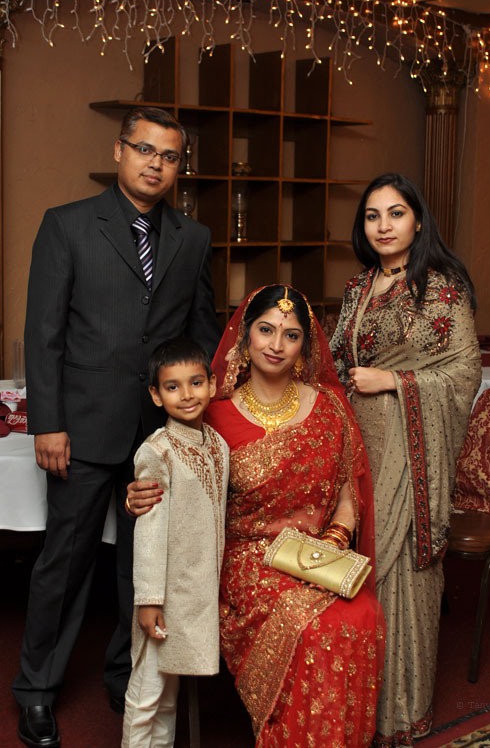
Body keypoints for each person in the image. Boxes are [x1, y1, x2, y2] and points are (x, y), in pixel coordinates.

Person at [13, 106, 220, 748]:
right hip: (80, 429)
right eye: (144, 149)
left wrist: (202, 419)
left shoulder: (193, 238)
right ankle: (36, 691)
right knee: (66, 563)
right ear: (120, 150)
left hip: (158, 436)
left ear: (179, 167)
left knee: (143, 566)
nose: (156, 164)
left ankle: (127, 676)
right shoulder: (68, 224)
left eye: (170, 156)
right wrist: (48, 424)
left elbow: (201, 334)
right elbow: (43, 334)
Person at [128, 284, 385, 748]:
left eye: (291, 334)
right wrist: (138, 496)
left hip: (319, 553)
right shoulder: (213, 415)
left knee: (363, 612)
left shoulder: (330, 408)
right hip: (247, 560)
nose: (276, 344)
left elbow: (350, 494)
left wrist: (331, 544)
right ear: (245, 337)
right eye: (266, 330)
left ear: (305, 346)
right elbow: (180, 480)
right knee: (314, 627)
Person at [329, 174, 481, 747]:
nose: (384, 225)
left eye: (396, 213)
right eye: (372, 216)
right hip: (358, 444)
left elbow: (464, 373)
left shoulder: (440, 288)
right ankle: (357, 707)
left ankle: (399, 713)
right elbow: (337, 361)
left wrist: (394, 381)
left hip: (409, 444)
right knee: (355, 562)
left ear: (418, 221)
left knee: (397, 573)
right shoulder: (358, 286)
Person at [121, 337, 229, 748]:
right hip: (163, 595)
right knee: (147, 694)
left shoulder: (218, 445)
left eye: (195, 382)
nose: (186, 395)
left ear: (212, 384)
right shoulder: (157, 452)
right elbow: (149, 532)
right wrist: (149, 599)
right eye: (172, 386)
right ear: (156, 394)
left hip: (195, 594)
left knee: (169, 695)